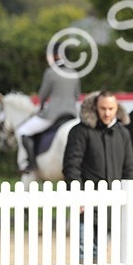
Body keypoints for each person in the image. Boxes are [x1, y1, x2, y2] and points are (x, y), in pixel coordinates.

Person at [63, 90, 133, 265]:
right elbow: (71, 166)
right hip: (86, 205)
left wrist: (131, 202)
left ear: (116, 108)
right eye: (103, 108)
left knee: (100, 253)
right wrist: (77, 196)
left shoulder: (123, 133)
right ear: (95, 107)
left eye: (111, 108)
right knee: (85, 252)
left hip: (111, 206)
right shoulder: (80, 132)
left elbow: (129, 170)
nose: (107, 113)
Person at [16, 42, 81, 175]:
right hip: (72, 113)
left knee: (23, 130)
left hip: (53, 114)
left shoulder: (51, 72)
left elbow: (43, 95)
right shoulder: (74, 74)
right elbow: (76, 95)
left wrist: (40, 107)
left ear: (56, 55)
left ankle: (31, 164)